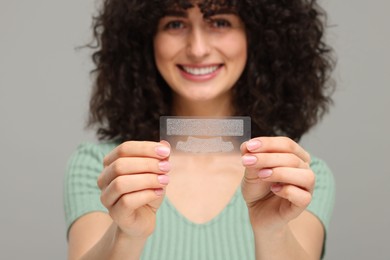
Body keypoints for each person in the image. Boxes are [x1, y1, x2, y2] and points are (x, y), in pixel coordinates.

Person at [64, 0, 336, 259]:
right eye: (175, 24)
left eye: (219, 22)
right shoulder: (104, 169)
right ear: (145, 37)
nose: (197, 48)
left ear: (258, 36)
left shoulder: (297, 178)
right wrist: (127, 235)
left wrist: (272, 231)